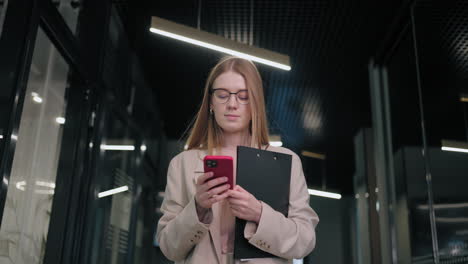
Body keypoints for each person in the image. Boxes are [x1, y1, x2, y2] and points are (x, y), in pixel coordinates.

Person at [156, 56, 319, 264]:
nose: (232, 104)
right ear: (211, 103)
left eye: (243, 96)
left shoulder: (286, 161)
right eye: (222, 95)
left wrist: (260, 214)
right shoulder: (182, 164)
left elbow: (304, 241)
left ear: (256, 104)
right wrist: (197, 208)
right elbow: (169, 247)